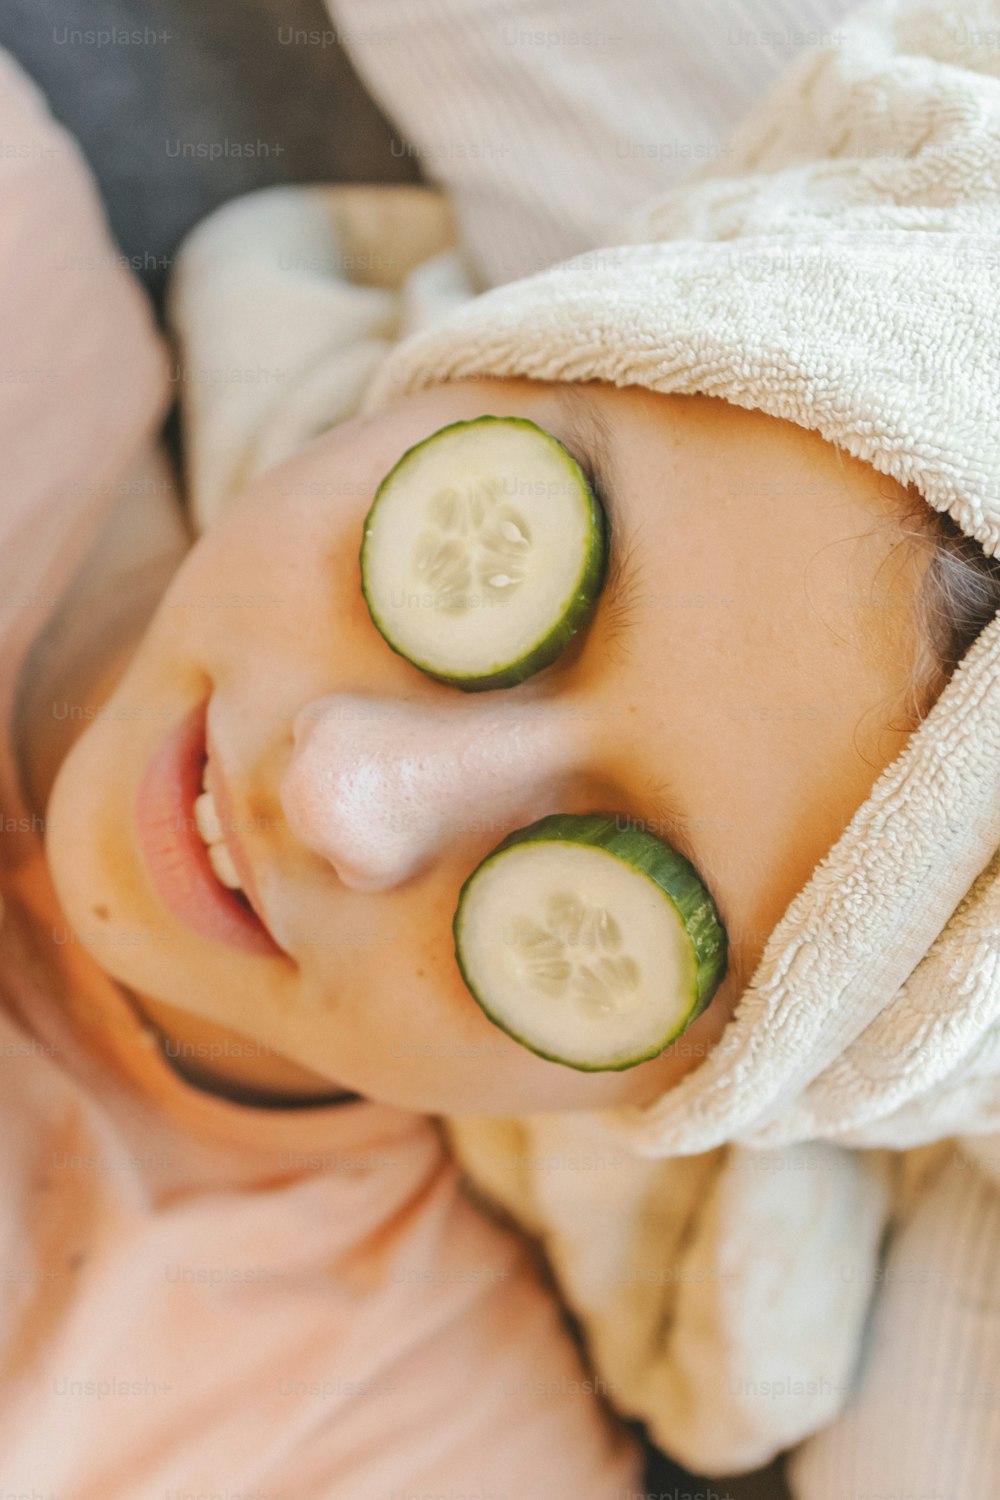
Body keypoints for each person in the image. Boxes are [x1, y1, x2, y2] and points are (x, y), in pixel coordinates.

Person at [4, 3, 999, 1498]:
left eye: (611, 885)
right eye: (525, 561)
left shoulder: (392, 1450)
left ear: (672, 1098)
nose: (342, 792)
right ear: (488, 361)